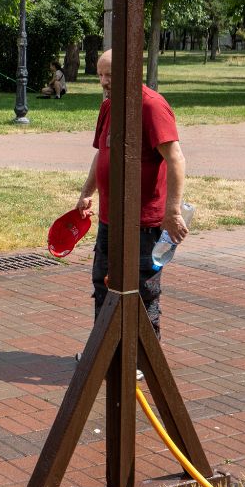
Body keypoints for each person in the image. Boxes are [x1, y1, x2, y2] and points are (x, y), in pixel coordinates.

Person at [75, 50, 188, 369]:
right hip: (111, 220)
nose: (104, 82)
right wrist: (87, 193)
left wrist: (173, 211)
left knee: (142, 292)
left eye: (110, 75)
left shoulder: (151, 106)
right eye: (100, 75)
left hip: (144, 224)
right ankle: (104, 353)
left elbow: (176, 159)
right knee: (103, 284)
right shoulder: (110, 106)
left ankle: (142, 362)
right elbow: (102, 154)